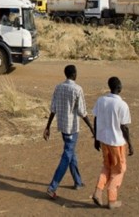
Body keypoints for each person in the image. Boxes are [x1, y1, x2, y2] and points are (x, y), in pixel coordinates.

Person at [43, 64, 94, 199]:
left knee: (71, 153)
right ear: (74, 74)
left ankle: (77, 181)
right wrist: (91, 128)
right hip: (72, 128)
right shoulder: (77, 89)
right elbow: (82, 112)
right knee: (67, 155)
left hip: (62, 126)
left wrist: (47, 126)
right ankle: (52, 187)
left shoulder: (58, 87)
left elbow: (53, 109)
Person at [92, 76, 133, 209]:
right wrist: (130, 144)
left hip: (104, 140)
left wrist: (96, 138)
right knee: (119, 170)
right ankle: (112, 199)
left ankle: (98, 190)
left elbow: (96, 120)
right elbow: (124, 127)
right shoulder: (122, 105)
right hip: (117, 142)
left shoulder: (101, 100)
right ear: (119, 88)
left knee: (107, 166)